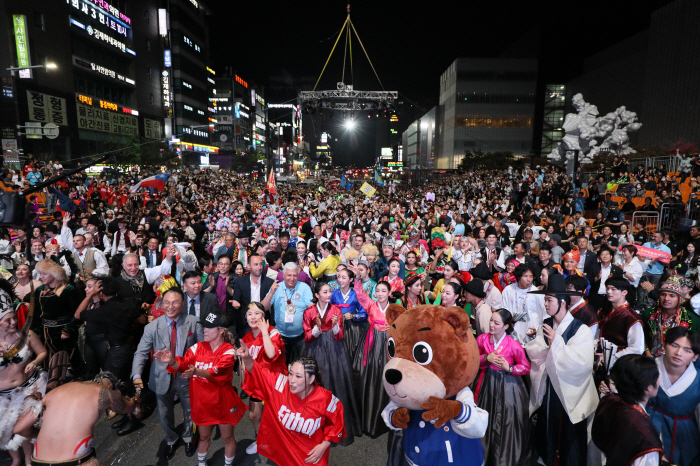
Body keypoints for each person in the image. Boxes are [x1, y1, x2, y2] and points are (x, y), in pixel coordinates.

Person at [155, 311, 248, 466]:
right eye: (204, 326)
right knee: (203, 437)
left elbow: (213, 373)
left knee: (228, 438)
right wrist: (171, 361)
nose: (205, 330)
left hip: (223, 404)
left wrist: (196, 371)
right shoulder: (197, 347)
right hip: (202, 404)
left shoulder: (229, 351)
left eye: (209, 327)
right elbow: (182, 365)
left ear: (221, 330)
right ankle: (201, 463)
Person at [525, 274, 599, 466]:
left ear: (563, 302)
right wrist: (547, 346)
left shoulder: (580, 329)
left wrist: (556, 343)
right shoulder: (547, 324)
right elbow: (535, 351)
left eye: (549, 300)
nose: (546, 305)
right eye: (545, 300)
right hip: (549, 387)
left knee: (569, 437)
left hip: (569, 389)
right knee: (546, 429)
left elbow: (582, 363)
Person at [236, 348, 346, 466]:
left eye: (298, 376)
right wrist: (247, 358)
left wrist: (325, 444)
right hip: (285, 454)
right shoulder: (280, 385)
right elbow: (258, 372)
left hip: (309, 457)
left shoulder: (325, 399)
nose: (292, 380)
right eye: (290, 373)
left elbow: (337, 422)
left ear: (311, 379)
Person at [131, 287, 203, 460]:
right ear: (162, 304)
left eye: (175, 302)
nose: (171, 306)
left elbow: (203, 349)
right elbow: (141, 352)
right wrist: (136, 375)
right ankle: (171, 439)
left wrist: (200, 372)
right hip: (161, 377)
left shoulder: (193, 322)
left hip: (186, 375)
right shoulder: (152, 327)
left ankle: (188, 437)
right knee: (164, 414)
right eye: (167, 303)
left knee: (190, 410)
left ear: (182, 303)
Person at [15, 373, 139, 466]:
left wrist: (40, 435)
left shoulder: (54, 393)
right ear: (110, 386)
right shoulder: (106, 393)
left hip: (39, 462)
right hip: (75, 462)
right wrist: (136, 397)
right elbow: (127, 408)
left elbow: (19, 428)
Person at [302, 282, 360, 446]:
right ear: (317, 295)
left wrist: (334, 327)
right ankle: (316, 428)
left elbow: (340, 335)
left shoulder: (336, 310)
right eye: (325, 292)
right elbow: (307, 337)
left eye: (329, 291)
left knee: (337, 386)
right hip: (315, 349)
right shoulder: (309, 311)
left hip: (335, 350)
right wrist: (318, 329)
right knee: (320, 384)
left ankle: (338, 428)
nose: (329, 294)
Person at [473, 309, 532, 466]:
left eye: (496, 323)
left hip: (508, 388)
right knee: (483, 420)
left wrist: (510, 368)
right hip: (486, 383)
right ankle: (481, 457)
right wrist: (486, 358)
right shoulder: (482, 339)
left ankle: (501, 458)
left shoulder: (514, 345)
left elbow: (525, 367)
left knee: (504, 423)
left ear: (506, 326)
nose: (491, 325)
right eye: (491, 320)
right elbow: (472, 360)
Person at [0, 284, 47, 466]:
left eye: (13, 319)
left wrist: (34, 362)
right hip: (3, 396)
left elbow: (42, 352)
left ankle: (31, 455)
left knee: (22, 428)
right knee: (4, 430)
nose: (13, 323)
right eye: (8, 321)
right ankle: (17, 458)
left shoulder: (26, 335)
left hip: (28, 389)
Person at [592, 354, 664, 466]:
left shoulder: (609, 401)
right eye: (657, 377)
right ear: (648, 387)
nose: (659, 381)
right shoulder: (645, 438)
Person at [647, 327, 700, 466]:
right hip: (646, 427)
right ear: (664, 345)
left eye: (687, 350)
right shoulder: (646, 368)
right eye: (674, 345)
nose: (678, 353)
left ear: (695, 357)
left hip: (683, 437)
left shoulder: (698, 380)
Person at [74, 278, 142, 384]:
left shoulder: (104, 310)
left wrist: (90, 295)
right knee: (129, 378)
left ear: (101, 293)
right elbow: (142, 320)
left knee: (112, 381)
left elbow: (78, 314)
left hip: (117, 351)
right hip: (134, 346)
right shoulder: (129, 303)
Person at [240, 302, 286, 455]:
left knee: (277, 415)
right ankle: (261, 439)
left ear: (263, 316)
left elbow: (271, 354)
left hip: (275, 380)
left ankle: (281, 442)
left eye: (257, 313)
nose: (253, 317)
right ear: (246, 317)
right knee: (254, 414)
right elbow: (248, 365)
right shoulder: (246, 338)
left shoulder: (273, 332)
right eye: (249, 314)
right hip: (257, 381)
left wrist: (264, 332)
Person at [352, 273, 393, 438]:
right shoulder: (370, 304)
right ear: (375, 293)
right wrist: (357, 279)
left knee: (384, 378)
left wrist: (394, 328)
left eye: (384, 290)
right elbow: (360, 294)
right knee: (366, 377)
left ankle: (382, 418)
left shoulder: (394, 308)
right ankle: (364, 417)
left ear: (390, 293)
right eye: (378, 291)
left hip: (386, 345)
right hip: (370, 343)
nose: (381, 293)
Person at [32, 258, 85, 381]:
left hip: (65, 334)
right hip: (45, 333)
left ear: (55, 274)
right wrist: (35, 331)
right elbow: (36, 314)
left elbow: (78, 313)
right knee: (47, 364)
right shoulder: (40, 290)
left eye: (44, 273)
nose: (41, 276)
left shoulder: (69, 290)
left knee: (69, 361)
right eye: (40, 273)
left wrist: (68, 329)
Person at [641, 277, 700, 357]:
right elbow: (643, 336)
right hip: (651, 358)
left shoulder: (692, 319)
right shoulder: (648, 314)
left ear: (679, 299)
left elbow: (695, 345)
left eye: (672, 296)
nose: (666, 299)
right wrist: (648, 353)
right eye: (663, 295)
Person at [268, 262, 313, 363]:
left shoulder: (304, 287)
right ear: (283, 275)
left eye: (294, 275)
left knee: (300, 365)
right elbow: (265, 307)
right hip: (280, 336)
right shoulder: (276, 287)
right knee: (281, 365)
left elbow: (311, 309)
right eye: (289, 275)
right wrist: (271, 293)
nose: (292, 278)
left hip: (300, 336)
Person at [598, 276, 644, 372]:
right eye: (608, 288)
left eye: (613, 289)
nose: (609, 292)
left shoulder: (631, 317)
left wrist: (612, 356)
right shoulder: (605, 310)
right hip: (601, 357)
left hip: (619, 362)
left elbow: (637, 348)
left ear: (624, 292)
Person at [231, 254, 275, 338]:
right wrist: (236, 305)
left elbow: (272, 306)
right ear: (248, 265)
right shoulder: (240, 281)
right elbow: (236, 300)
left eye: (260, 264)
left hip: (263, 322)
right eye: (255, 264)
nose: (259, 267)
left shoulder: (269, 282)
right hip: (245, 323)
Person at [501, 264, 545, 344]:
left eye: (531, 276)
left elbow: (543, 315)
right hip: (511, 333)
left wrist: (536, 331)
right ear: (519, 277)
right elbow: (503, 309)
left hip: (531, 332)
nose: (528, 279)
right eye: (525, 276)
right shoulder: (508, 290)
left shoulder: (537, 293)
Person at [331, 267, 368, 359]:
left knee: (351, 352)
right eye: (339, 277)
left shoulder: (356, 294)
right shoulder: (333, 293)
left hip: (352, 327)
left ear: (351, 279)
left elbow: (364, 313)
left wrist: (353, 316)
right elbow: (327, 310)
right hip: (337, 325)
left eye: (344, 278)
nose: (340, 280)